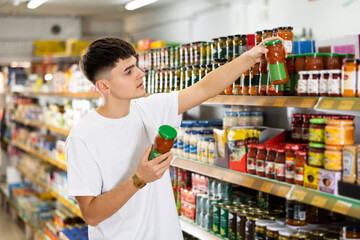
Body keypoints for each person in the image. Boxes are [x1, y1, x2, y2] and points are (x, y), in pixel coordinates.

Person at [66, 36, 282, 239]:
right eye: (128, 71)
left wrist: (250, 57)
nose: (141, 73)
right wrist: (139, 179)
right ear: (104, 86)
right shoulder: (83, 137)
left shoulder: (151, 108)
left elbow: (204, 88)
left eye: (137, 65)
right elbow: (91, 214)